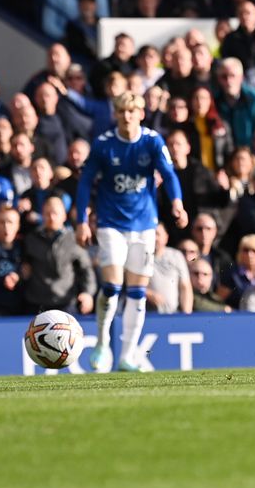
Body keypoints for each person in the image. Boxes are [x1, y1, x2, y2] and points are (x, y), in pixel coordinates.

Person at [74, 91, 188, 372]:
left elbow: (170, 174)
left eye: (132, 111)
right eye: (122, 111)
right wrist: (80, 219)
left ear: (141, 113)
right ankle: (102, 344)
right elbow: (85, 182)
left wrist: (177, 203)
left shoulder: (151, 142)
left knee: (137, 292)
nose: (127, 116)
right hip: (111, 223)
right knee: (112, 286)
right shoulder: (103, 145)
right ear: (115, 114)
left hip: (144, 225)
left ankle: (127, 355)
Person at [22, 196, 96, 315]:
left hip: (65, 303)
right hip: (36, 303)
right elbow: (24, 265)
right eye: (47, 213)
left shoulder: (73, 239)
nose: (51, 217)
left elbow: (86, 269)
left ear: (64, 215)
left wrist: (88, 293)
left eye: (55, 213)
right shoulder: (31, 238)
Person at [147, 224, 193, 315]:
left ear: (166, 237)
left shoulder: (176, 256)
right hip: (147, 315)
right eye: (151, 234)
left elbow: (185, 286)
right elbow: (130, 283)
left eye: (157, 234)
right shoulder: (138, 256)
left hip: (173, 314)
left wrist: (186, 316)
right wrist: (148, 293)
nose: (155, 238)